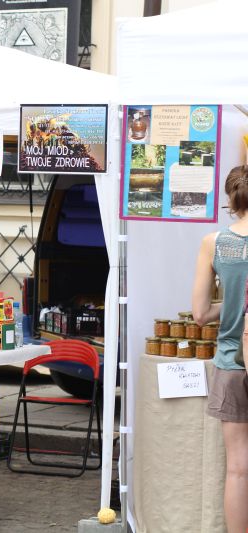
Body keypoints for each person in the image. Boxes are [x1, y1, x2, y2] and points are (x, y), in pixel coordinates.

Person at [193, 164, 248, 533]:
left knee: (238, 467)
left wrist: (230, 309)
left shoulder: (215, 242)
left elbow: (199, 314)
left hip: (231, 361)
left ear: (231, 199)